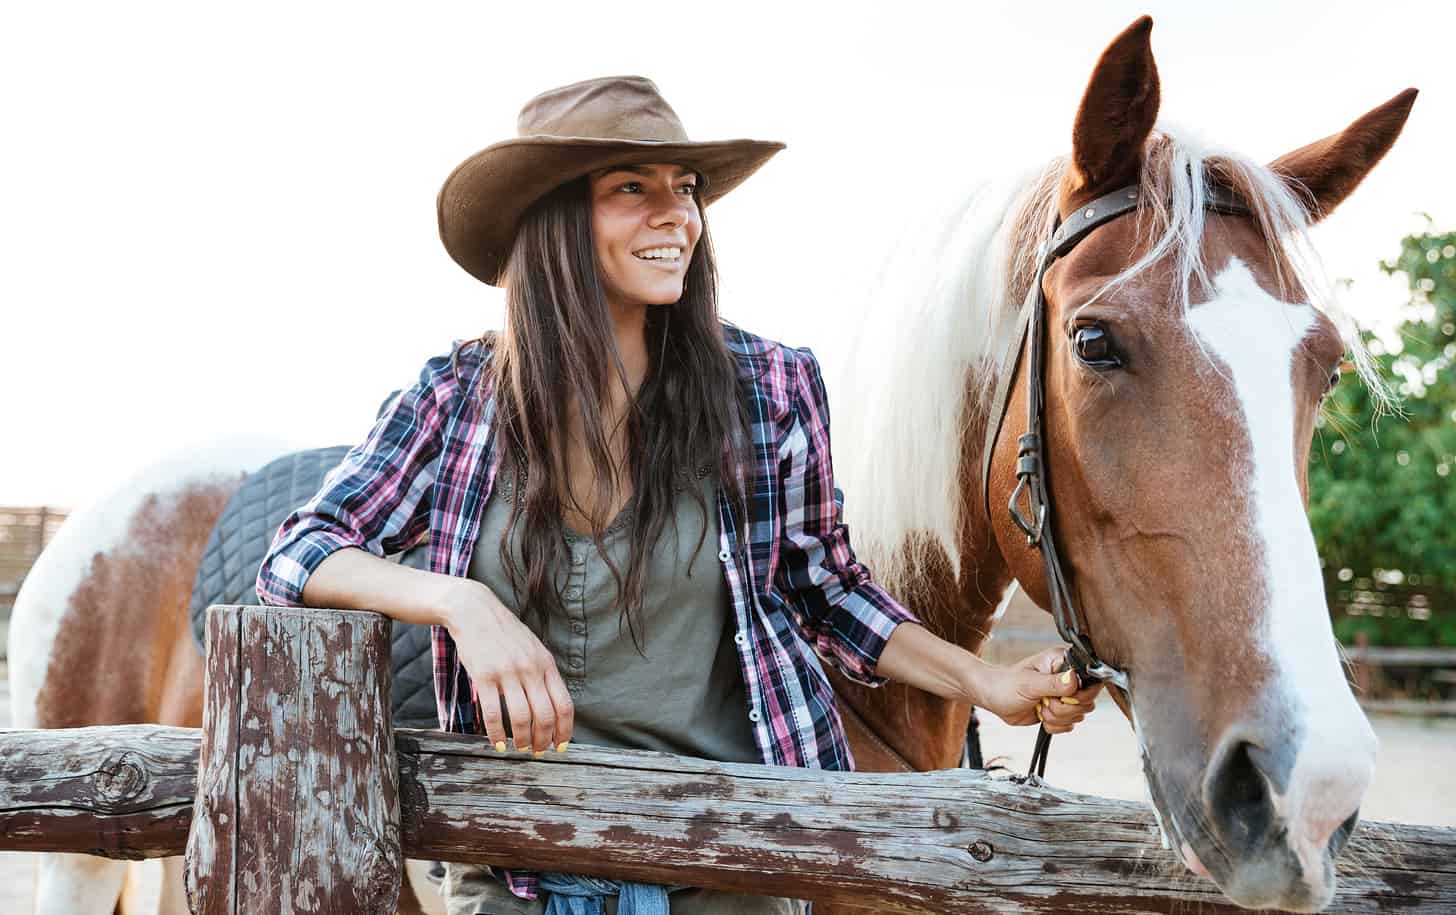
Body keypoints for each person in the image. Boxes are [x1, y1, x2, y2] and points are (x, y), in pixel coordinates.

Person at [256, 75, 1101, 915]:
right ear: (553, 218)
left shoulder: (766, 387)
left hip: (729, 858)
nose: (678, 215)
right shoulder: (456, 398)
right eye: (633, 187)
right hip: (516, 865)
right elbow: (299, 554)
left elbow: (829, 589)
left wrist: (983, 684)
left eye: (686, 188)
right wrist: (462, 602)